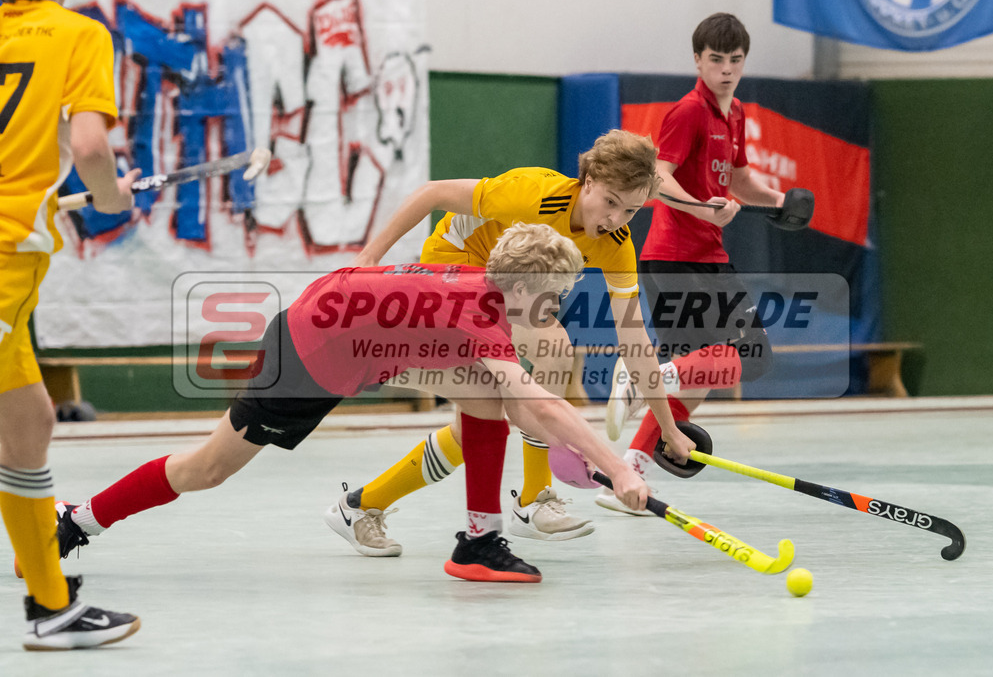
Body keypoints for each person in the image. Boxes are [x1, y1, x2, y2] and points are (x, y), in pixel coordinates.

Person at [39, 225, 663, 584]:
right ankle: (79, 518)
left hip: (336, 320)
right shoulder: (481, 313)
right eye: (551, 300)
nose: (553, 312)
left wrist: (604, 460)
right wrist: (619, 465)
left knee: (485, 395)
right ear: (523, 287)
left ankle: (478, 542)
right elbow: (544, 408)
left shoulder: (485, 287)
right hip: (308, 357)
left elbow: (530, 408)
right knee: (206, 468)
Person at [326, 129, 694, 555]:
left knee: (478, 428)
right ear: (588, 181)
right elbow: (431, 193)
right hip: (455, 266)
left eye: (630, 210)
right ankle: (533, 501)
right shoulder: (532, 195)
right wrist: (369, 257)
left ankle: (360, 506)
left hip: (512, 283)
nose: (615, 218)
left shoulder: (615, 245)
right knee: (550, 350)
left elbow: (635, 342)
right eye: (610, 202)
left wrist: (667, 429)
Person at [601, 12, 796, 514]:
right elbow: (656, 178)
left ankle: (629, 476)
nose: (726, 70)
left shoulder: (735, 115)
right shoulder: (687, 112)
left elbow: (738, 181)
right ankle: (646, 377)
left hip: (708, 254)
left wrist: (779, 201)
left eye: (735, 60)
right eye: (716, 60)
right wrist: (699, 207)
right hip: (674, 257)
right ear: (697, 60)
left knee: (703, 376)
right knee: (754, 358)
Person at [0, 0, 143, 650]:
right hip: (3, 260)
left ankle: (51, 605)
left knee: (28, 418)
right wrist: (111, 195)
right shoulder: (76, 34)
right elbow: (88, 142)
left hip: (13, 266)